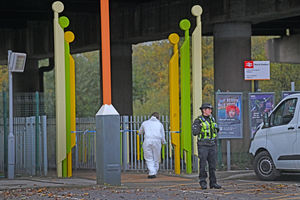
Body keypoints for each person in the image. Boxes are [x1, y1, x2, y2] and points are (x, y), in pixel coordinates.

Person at [192, 103, 221, 190]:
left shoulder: (212, 119)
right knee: (203, 165)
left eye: (211, 109)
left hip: (212, 145)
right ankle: (203, 182)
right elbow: (194, 132)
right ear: (204, 110)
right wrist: (199, 128)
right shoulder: (198, 121)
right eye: (209, 109)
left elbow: (216, 130)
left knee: (212, 165)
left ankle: (213, 183)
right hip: (203, 145)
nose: (210, 111)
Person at [139, 112, 166, 178]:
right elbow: (162, 135)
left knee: (148, 157)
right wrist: (164, 142)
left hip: (147, 140)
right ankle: (154, 171)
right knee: (156, 157)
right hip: (157, 141)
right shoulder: (160, 124)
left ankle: (152, 171)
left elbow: (140, 132)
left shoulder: (145, 123)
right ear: (158, 117)